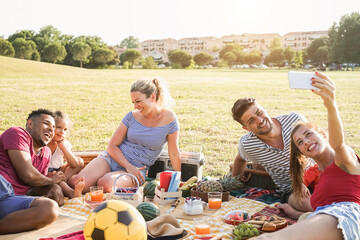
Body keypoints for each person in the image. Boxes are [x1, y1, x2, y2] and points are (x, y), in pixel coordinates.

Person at [256, 72, 360, 240]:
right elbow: (317, 216)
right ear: (302, 152)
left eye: (308, 134)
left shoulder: (344, 160)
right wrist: (293, 212)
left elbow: (338, 144)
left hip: (346, 216)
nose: (306, 142)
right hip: (328, 220)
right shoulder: (316, 175)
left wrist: (331, 105)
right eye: (300, 142)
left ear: (322, 134)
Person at [69, 78, 181, 193]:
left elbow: (174, 153)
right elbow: (112, 146)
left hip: (136, 170)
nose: (135, 107)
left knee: (106, 185)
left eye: (138, 101)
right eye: (133, 102)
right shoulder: (131, 117)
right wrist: (128, 166)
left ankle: (102, 177)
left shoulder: (169, 119)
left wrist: (179, 180)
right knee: (77, 184)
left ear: (153, 97)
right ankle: (62, 177)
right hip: (111, 160)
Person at [231, 98, 315, 211]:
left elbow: (318, 141)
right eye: (252, 121)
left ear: (264, 109)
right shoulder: (248, 144)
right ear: (246, 128)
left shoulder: (294, 120)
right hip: (293, 189)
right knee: (309, 205)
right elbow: (240, 159)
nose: (260, 120)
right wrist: (234, 185)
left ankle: (297, 214)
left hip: (318, 175)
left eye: (259, 113)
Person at [0, 109, 66, 206]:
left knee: (49, 208)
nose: (51, 130)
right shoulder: (17, 134)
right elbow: (28, 176)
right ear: (30, 124)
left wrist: (54, 187)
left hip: (15, 200)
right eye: (46, 123)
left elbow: (35, 184)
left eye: (53, 127)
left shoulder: (46, 152)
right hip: (3, 189)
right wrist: (52, 180)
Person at [47, 111, 85, 198]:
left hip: (58, 171)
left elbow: (74, 164)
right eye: (59, 127)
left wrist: (62, 146)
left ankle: (63, 182)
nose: (62, 132)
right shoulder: (45, 143)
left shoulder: (63, 143)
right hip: (44, 173)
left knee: (79, 161)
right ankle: (71, 192)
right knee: (57, 177)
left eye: (65, 129)